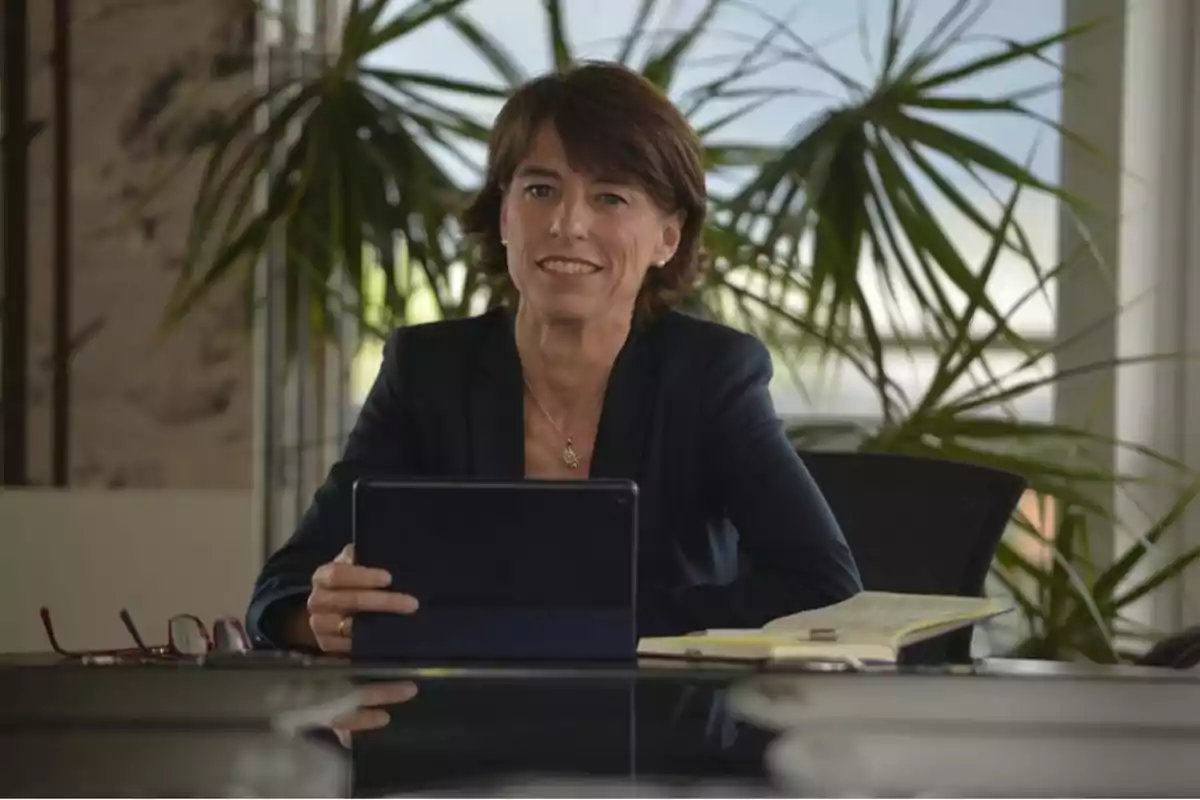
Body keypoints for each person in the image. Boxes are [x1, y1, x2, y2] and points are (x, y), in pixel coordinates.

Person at [246, 60, 862, 653]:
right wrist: (316, 619)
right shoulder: (427, 368)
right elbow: (281, 591)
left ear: (667, 239)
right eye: (541, 189)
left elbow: (825, 590)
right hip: (455, 738)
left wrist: (588, 625)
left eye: (611, 198)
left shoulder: (709, 374)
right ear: (505, 215)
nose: (568, 223)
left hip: (662, 738)